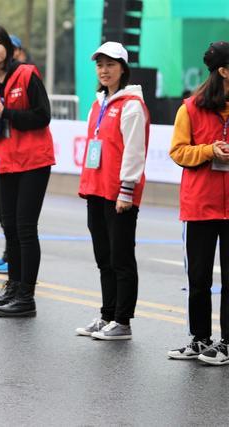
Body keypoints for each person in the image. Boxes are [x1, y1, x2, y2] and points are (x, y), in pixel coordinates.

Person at [0, 25, 55, 317]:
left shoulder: (27, 74)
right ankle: (14, 287)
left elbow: (43, 116)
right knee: (10, 229)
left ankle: (26, 296)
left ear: (8, 47)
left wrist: (7, 113)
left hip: (34, 160)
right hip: (5, 161)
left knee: (25, 228)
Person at [74, 42, 149, 341]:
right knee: (103, 257)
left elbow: (134, 151)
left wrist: (126, 190)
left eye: (111, 65)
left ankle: (123, 321)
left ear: (123, 69)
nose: (104, 70)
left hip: (119, 193)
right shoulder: (98, 103)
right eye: (100, 65)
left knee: (121, 258)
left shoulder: (132, 105)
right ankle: (107, 314)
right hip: (96, 189)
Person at [167, 41, 229, 364]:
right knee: (200, 277)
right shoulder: (190, 108)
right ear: (223, 71)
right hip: (200, 206)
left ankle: (227, 343)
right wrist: (208, 150)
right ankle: (200, 339)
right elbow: (178, 151)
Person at [0, 34, 26, 274]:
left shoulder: (24, 78)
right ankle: (8, 253)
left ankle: (15, 258)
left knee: (13, 211)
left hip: (15, 155)